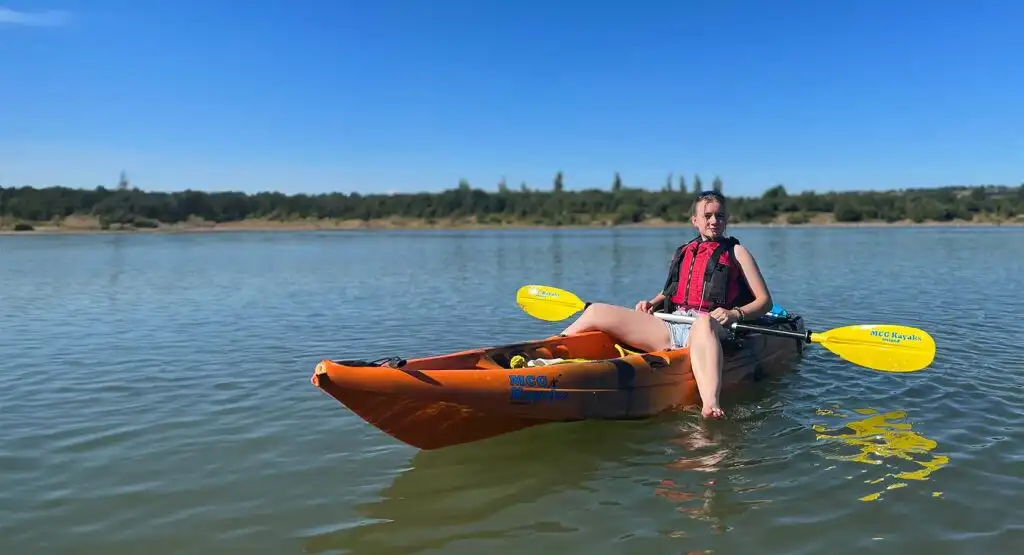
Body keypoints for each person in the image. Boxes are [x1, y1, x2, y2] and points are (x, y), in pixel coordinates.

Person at [559, 190, 774, 419]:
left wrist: (735, 313)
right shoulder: (683, 252)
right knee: (596, 311)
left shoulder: (738, 252)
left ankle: (710, 404)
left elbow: (764, 302)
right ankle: (549, 353)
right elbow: (671, 290)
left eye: (720, 216)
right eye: (708, 215)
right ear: (695, 221)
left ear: (726, 219)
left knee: (703, 321)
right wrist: (651, 303)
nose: (714, 221)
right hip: (671, 326)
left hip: (711, 328)